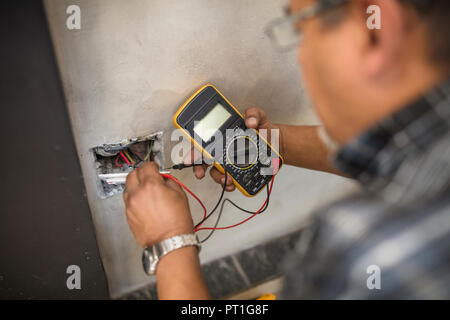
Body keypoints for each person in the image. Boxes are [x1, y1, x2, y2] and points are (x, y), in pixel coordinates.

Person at [123, 0, 450, 299]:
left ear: (377, 30)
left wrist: (170, 244)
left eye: (301, 32)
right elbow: (392, 151)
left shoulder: (363, 248)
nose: (300, 56)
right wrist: (269, 144)